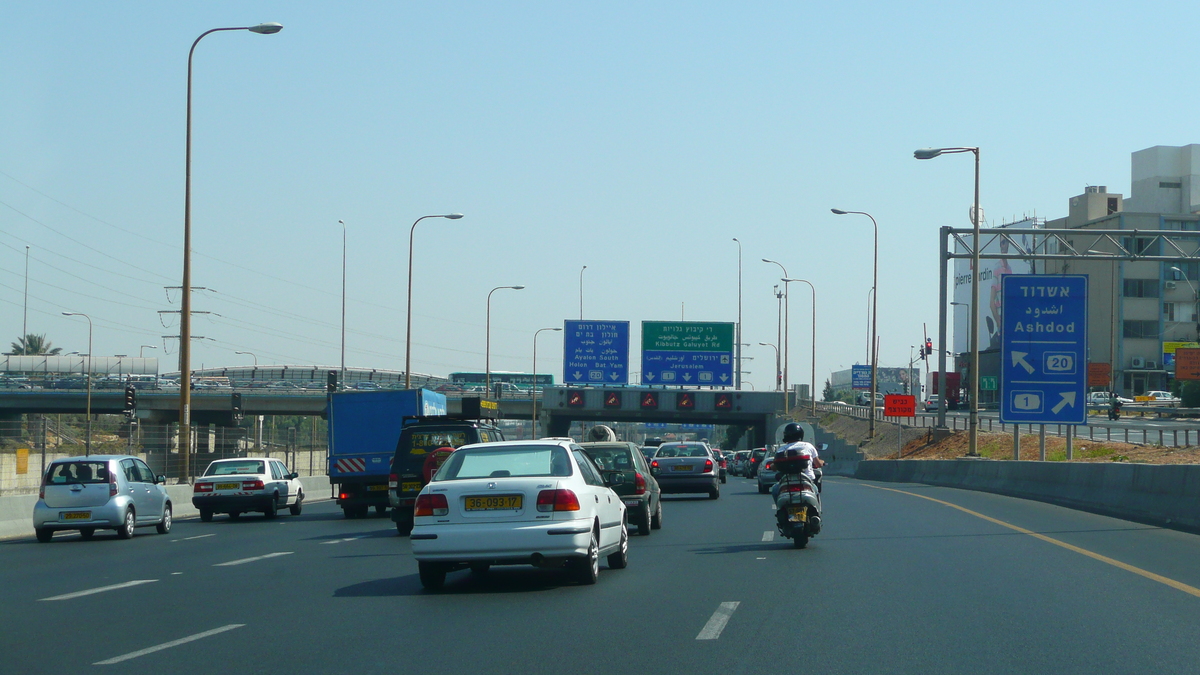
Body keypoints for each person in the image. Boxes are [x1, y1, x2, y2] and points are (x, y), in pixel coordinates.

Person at [771, 423, 823, 501]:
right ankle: (817, 511)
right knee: (815, 492)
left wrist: (772, 466)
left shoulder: (781, 449)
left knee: (775, 490)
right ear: (801, 434)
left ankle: (779, 510)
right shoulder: (808, 446)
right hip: (806, 480)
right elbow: (818, 464)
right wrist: (822, 462)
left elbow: (774, 467)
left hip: (787, 482)